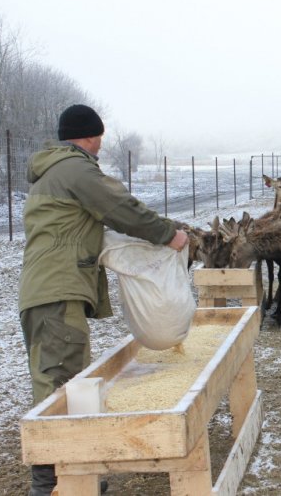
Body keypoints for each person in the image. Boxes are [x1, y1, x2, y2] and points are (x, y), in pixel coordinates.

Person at [18, 104, 188, 496]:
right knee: (60, 381)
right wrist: (168, 234)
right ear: (92, 136)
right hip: (56, 289)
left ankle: (75, 472)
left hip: (44, 288)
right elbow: (119, 209)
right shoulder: (76, 169)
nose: (99, 146)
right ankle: (50, 484)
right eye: (99, 138)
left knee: (62, 377)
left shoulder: (52, 171)